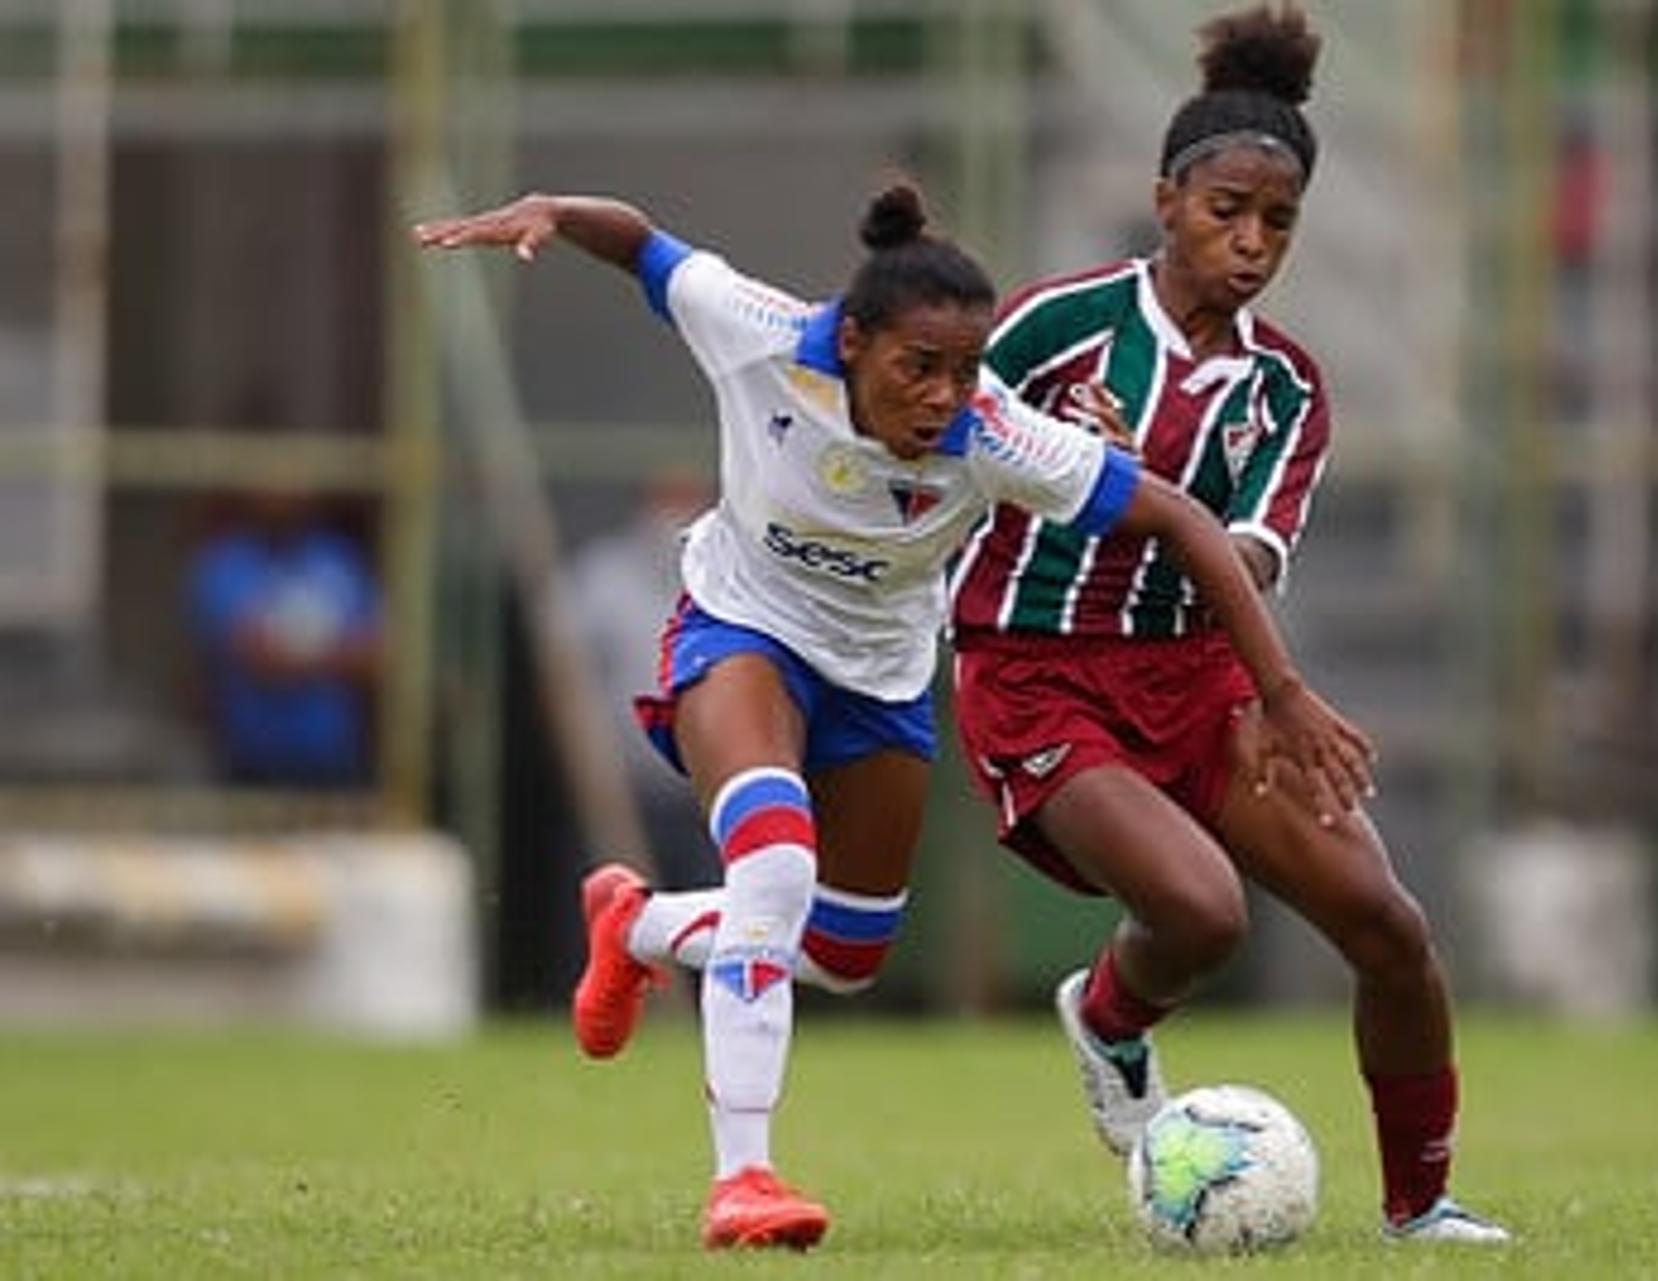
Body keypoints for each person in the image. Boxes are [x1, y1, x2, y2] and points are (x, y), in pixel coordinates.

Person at [414, 178, 1370, 1251]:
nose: (943, 400)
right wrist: (550, 210)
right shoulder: (759, 332)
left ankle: (636, 922)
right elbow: (640, 242)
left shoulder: (997, 433)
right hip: (744, 638)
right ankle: (746, 1182)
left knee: (843, 951)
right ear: (852, 342)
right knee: (771, 871)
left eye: (966, 373)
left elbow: (1188, 523)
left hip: (881, 681)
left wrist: (1279, 690)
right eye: (920, 369)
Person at [947, 4, 1511, 1244]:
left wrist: (1264, 691)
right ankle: (1107, 1015)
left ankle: (1421, 1209)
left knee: (1392, 929)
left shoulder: (1285, 388)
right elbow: (935, 434)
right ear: (1165, 199)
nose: (1252, 242)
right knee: (1203, 915)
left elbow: (1248, 551)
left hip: (1206, 682)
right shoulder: (1057, 324)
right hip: (1038, 674)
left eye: (1280, 223)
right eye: (1227, 213)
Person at [562, 471, 720, 892]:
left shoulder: (730, 580)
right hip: (623, 789)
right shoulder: (602, 574)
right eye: (667, 497)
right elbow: (565, 678)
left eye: (689, 496)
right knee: (613, 911)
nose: (677, 513)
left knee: (711, 915)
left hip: (711, 793)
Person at [185, 489, 382, 786]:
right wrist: (335, 652)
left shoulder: (339, 561)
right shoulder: (226, 563)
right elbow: (259, 658)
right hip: (250, 765)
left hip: (334, 766)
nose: (284, 494)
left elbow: (374, 656)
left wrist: (295, 654)